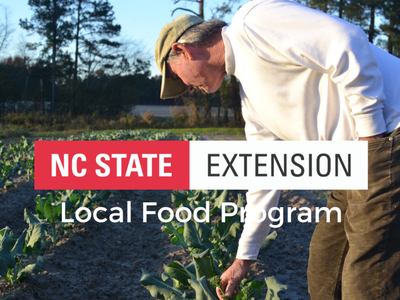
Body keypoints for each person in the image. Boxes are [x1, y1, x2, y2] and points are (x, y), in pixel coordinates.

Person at [154, 0, 400, 299]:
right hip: (353, 163)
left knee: (367, 278)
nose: (188, 90)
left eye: (179, 79)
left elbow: (345, 39)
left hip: (387, 136)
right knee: (325, 270)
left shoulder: (254, 21)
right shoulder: (253, 100)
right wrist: (244, 259)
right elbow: (264, 174)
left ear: (183, 50)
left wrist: (370, 130)